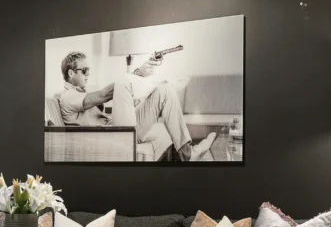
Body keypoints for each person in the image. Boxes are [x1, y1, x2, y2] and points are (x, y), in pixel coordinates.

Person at [57, 51, 216, 161]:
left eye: (88, 70)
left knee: (164, 92)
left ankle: (188, 154)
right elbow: (104, 94)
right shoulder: (67, 97)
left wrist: (139, 73)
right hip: (111, 139)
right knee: (122, 82)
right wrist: (139, 76)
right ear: (71, 73)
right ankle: (162, 80)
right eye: (84, 70)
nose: (88, 73)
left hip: (116, 131)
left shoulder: (82, 93)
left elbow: (113, 94)